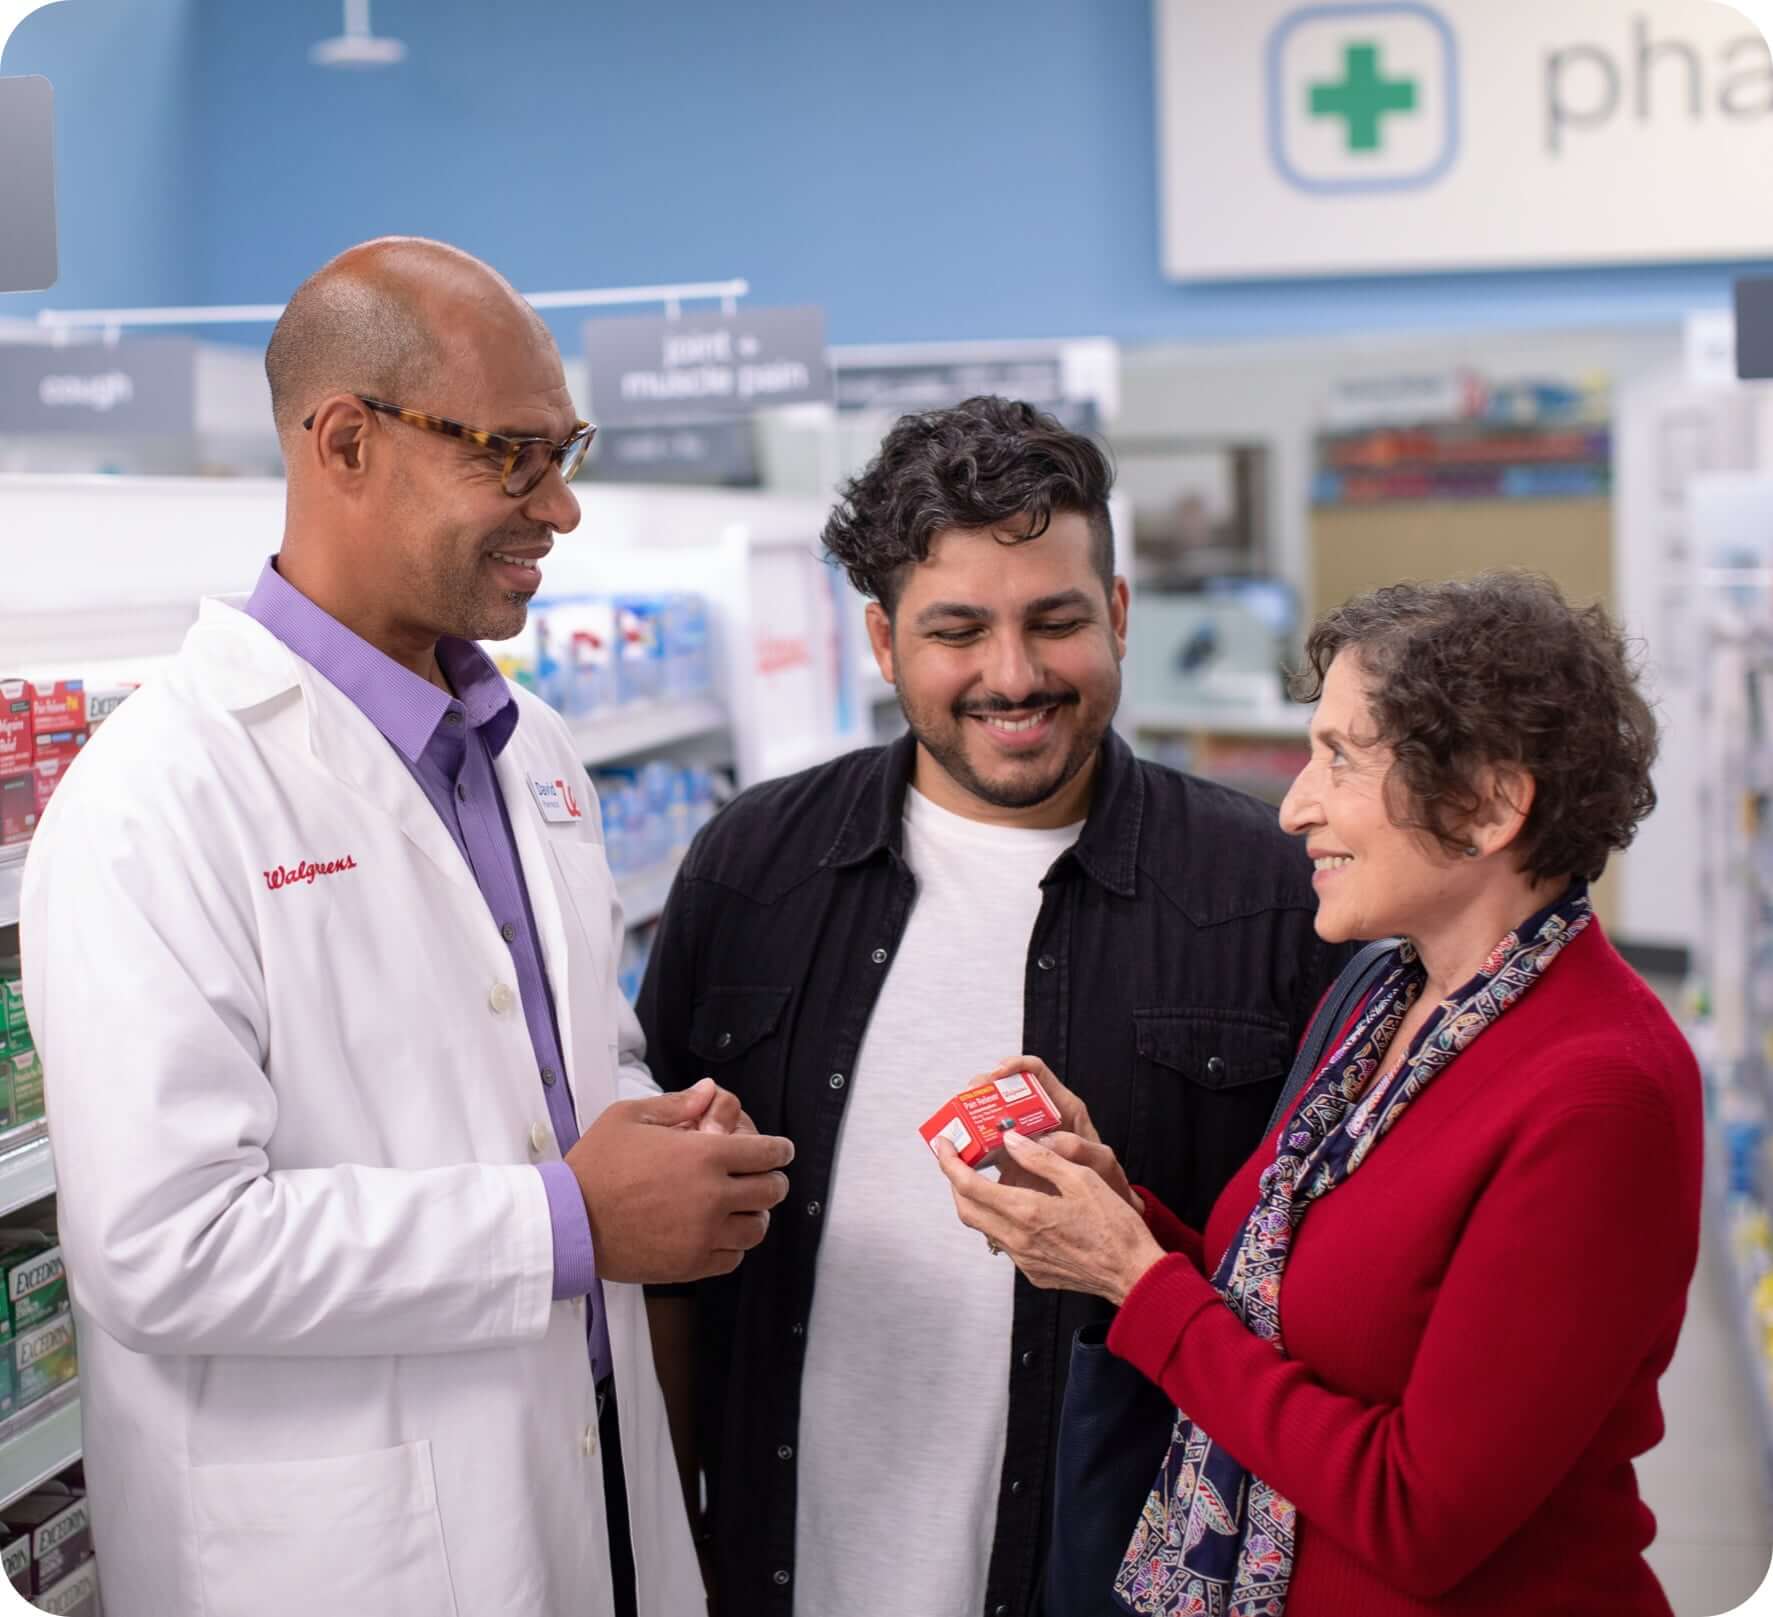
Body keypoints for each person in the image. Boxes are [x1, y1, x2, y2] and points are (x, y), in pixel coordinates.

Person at [20, 237, 794, 1617]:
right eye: (512, 454)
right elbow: (161, 1250)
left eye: (568, 452)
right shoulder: (158, 798)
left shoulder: (532, 746)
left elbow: (561, 1047)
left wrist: (652, 1130)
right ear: (344, 442)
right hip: (338, 1558)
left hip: (586, 1486)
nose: (559, 507)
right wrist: (570, 1220)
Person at [636, 396, 1348, 1617]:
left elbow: (1323, 1298)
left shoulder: (1271, 895)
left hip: (1115, 1573)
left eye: (1056, 622)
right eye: (957, 630)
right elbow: (668, 1273)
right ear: (882, 641)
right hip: (785, 1564)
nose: (1012, 677)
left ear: (1117, 615)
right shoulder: (751, 869)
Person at [937, 571, 1700, 1617]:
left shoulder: (1599, 1096)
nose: (1296, 805)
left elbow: (1418, 1516)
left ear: (1488, 803)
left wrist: (1137, 1285)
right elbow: (1282, 1307)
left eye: (1340, 758)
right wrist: (1117, 1217)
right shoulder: (1382, 997)